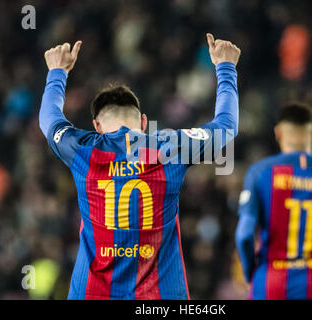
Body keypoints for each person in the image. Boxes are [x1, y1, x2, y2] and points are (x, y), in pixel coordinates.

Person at [39, 34, 240, 299]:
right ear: (144, 122)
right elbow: (226, 126)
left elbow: (49, 119)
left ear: (96, 126)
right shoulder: (170, 148)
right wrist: (226, 68)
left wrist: (57, 73)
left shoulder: (81, 149)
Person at [235, 103, 312, 300]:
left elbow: (244, 235)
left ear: (278, 132)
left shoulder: (260, 172)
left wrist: (251, 275)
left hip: (269, 279)